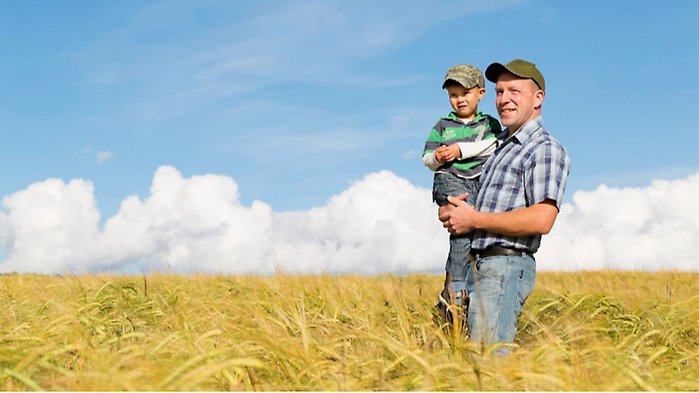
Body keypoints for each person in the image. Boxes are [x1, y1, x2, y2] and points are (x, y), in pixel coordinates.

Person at [438, 59, 571, 355]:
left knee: (488, 365)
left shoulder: (544, 148)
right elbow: (473, 202)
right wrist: (453, 209)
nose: (504, 99)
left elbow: (543, 218)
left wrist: (474, 220)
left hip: (504, 267)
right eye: (499, 92)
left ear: (538, 98)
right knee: (470, 364)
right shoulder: (498, 146)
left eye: (514, 91)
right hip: (477, 264)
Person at [422, 64, 502, 326]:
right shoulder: (443, 125)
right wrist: (438, 157)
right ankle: (456, 290)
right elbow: (426, 158)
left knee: (477, 233)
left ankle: (461, 290)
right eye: (454, 94)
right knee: (461, 233)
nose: (460, 99)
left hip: (478, 183)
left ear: (480, 93)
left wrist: (460, 150)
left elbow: (494, 146)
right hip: (450, 180)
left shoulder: (489, 124)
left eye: (465, 93)